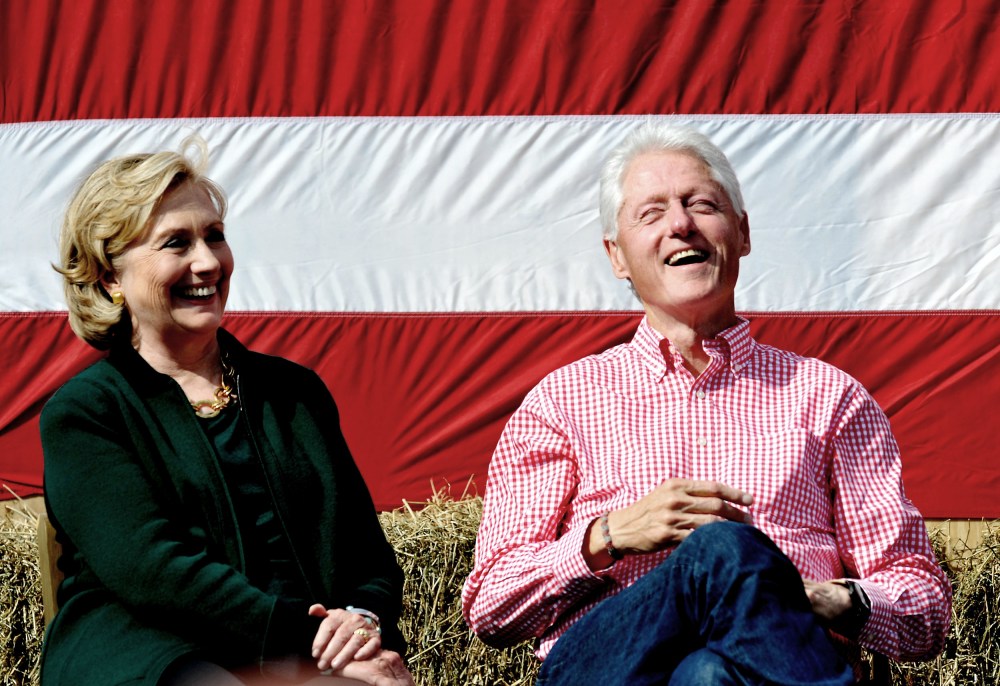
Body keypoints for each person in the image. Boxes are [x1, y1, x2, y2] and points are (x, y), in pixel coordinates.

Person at [462, 124, 952, 685]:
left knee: (707, 673)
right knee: (720, 549)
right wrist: (609, 535)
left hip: (757, 668)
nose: (680, 225)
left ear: (741, 234)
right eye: (651, 213)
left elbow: (925, 611)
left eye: (702, 204)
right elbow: (490, 605)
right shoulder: (562, 401)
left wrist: (806, 597)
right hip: (606, 667)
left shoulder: (829, 398)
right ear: (616, 256)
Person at [40, 138, 414, 686]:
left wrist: (359, 623)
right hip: (152, 657)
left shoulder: (295, 392)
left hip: (305, 656)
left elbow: (367, 556)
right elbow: (152, 572)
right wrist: (310, 640)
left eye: (215, 236)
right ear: (109, 278)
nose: (208, 261)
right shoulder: (88, 412)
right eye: (176, 243)